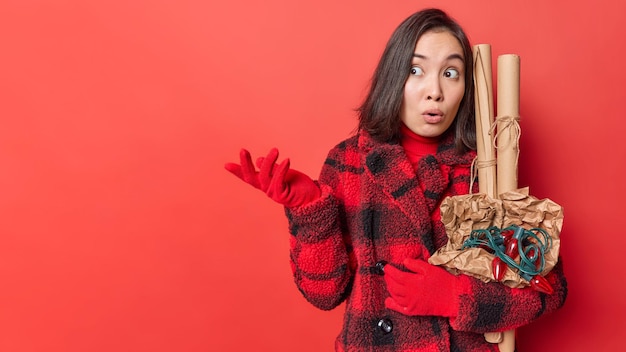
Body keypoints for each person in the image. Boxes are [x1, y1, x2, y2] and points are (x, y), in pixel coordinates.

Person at [225, 8, 567, 352]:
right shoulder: (348, 163)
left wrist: (455, 297)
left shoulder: (487, 169)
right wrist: (310, 210)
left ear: (466, 87)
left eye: (450, 72)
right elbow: (324, 294)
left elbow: (549, 290)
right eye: (415, 70)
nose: (434, 91)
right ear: (394, 77)